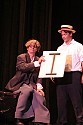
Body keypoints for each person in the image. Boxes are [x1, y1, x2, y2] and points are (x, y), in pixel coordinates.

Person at [5, 39, 50, 125]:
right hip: (20, 83)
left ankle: (41, 119)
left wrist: (39, 86)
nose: (32, 48)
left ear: (37, 49)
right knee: (27, 91)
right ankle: (19, 117)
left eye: (35, 47)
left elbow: (40, 75)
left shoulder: (38, 59)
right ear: (27, 48)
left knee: (39, 94)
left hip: (32, 84)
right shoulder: (21, 57)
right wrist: (36, 63)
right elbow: (23, 67)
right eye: (31, 47)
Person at [53, 25, 83, 125]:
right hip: (61, 75)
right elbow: (56, 62)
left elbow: (82, 61)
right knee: (61, 102)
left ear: (71, 34)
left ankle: (80, 122)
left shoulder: (78, 46)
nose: (63, 36)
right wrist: (53, 73)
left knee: (76, 100)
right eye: (62, 34)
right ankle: (62, 122)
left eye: (65, 34)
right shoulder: (60, 48)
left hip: (74, 74)